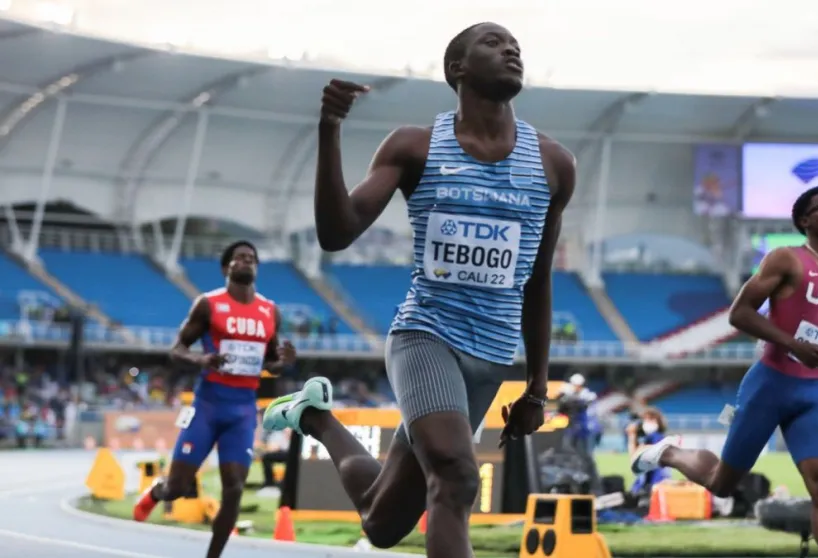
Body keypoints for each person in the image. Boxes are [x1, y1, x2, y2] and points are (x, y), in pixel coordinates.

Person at [261, 22, 575, 558]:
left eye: (515, 45)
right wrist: (329, 128)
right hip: (425, 335)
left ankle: (314, 417)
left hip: (492, 355)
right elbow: (337, 233)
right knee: (456, 478)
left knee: (383, 523)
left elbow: (538, 281)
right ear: (457, 68)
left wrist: (537, 389)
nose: (511, 49)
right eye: (493, 43)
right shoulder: (415, 146)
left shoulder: (553, 164)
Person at [631, 186, 818, 558]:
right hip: (768, 387)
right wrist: (791, 343)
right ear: (805, 221)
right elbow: (739, 313)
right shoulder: (785, 259)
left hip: (809, 395)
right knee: (721, 484)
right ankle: (671, 454)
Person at [132, 241, 297, 558]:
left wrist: (283, 362)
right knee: (178, 488)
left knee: (234, 487)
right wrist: (201, 360)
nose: (246, 261)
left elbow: (270, 364)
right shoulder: (208, 304)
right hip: (207, 406)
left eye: (252, 258)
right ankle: (156, 492)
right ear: (226, 268)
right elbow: (177, 350)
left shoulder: (269, 311)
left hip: (243, 410)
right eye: (239, 258)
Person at [626, 408, 671, 496]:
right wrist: (632, 435)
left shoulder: (657, 437)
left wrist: (632, 436)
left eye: (651, 419)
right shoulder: (648, 438)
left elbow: (636, 456)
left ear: (658, 421)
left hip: (655, 483)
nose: (647, 422)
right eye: (645, 419)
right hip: (649, 483)